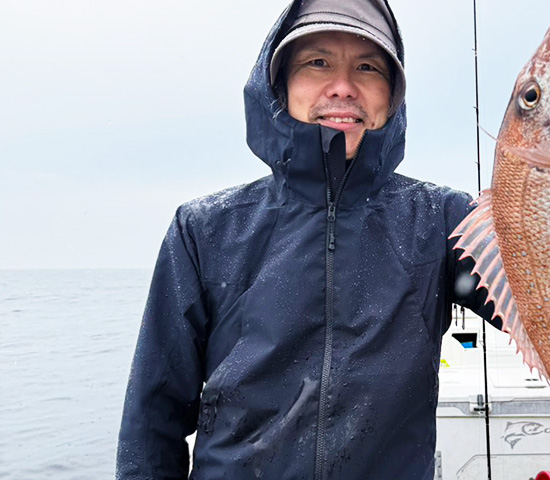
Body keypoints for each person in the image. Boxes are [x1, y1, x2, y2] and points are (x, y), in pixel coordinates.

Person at [115, 1, 493, 478]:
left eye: (368, 67)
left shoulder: (445, 219)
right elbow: (153, 420)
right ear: (280, 86)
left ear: (392, 94)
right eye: (318, 63)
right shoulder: (204, 229)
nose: (343, 87)